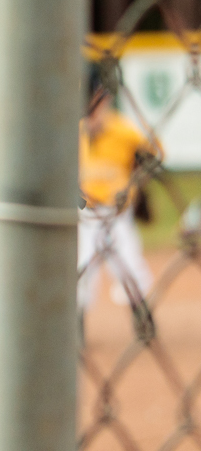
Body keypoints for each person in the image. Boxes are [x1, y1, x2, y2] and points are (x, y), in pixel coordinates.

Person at [77, 68, 160, 313]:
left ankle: (143, 319)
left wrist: (138, 183)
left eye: (98, 104)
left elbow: (155, 155)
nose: (94, 113)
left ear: (107, 102)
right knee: (81, 270)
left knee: (130, 266)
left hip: (117, 212)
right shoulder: (76, 132)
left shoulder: (123, 130)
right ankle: (77, 332)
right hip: (86, 214)